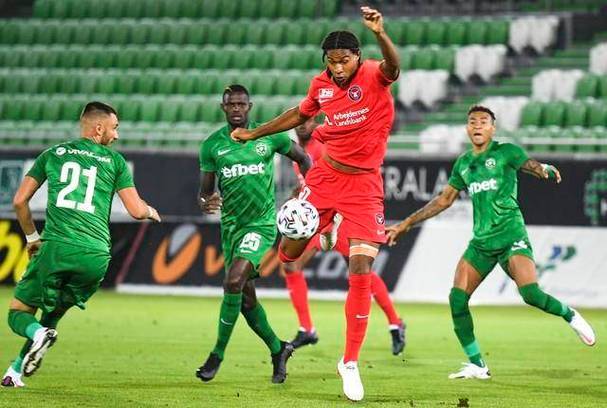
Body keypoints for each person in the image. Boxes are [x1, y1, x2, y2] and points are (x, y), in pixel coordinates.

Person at [232, 7, 400, 401]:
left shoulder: (374, 74)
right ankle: (323, 230)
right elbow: (299, 113)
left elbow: (394, 66)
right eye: (331, 61)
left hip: (364, 186)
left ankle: (350, 361)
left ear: (357, 57)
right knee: (288, 256)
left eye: (344, 61)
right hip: (325, 177)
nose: (338, 68)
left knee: (361, 269)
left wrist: (380, 34)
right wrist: (256, 132)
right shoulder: (321, 84)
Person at [386, 105, 596, 380]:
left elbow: (531, 166)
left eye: (483, 121)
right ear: (467, 128)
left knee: (531, 295)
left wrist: (544, 168)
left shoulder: (507, 152)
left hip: (511, 236)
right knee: (457, 299)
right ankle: (477, 364)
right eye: (472, 121)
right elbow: (443, 200)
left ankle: (570, 315)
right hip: (482, 243)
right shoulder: (463, 164)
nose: (477, 125)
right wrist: (406, 223)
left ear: (492, 128)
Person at [2, 102, 161, 388]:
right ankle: (15, 372)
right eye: (114, 128)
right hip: (96, 257)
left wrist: (32, 238)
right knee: (52, 314)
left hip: (57, 248)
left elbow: (19, 201)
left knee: (18, 314)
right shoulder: (115, 162)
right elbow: (137, 211)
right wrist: (151, 210)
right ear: (98, 128)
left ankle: (37, 335)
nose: (116, 136)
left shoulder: (52, 154)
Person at [196, 85, 311, 384]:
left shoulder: (270, 136)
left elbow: (304, 159)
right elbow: (205, 192)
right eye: (231, 104)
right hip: (231, 229)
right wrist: (205, 201)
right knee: (246, 301)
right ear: (223, 108)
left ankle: (217, 354)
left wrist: (306, 192)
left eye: (241, 104)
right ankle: (279, 349)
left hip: (261, 225)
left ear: (249, 106)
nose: (236, 108)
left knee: (233, 281)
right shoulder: (211, 146)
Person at [284, 119, 406, 355]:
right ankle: (307, 329)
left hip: (337, 217)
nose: (303, 125)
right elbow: (311, 184)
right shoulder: (299, 152)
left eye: (308, 120)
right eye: (300, 121)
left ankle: (395, 322)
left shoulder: (321, 147)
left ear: (316, 121)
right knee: (291, 265)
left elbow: (338, 180)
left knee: (359, 272)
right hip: (317, 217)